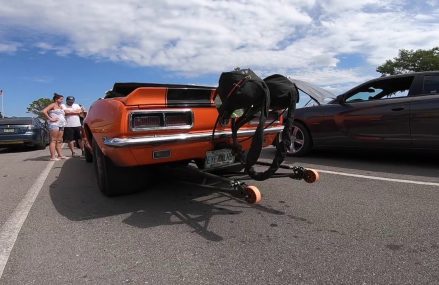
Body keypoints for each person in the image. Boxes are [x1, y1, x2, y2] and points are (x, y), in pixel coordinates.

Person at [42, 93, 68, 161]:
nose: (62, 100)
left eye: (62, 99)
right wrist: (50, 119)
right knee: (53, 140)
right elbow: (44, 111)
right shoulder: (53, 105)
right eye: (61, 99)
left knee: (59, 140)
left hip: (61, 124)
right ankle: (52, 157)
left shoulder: (61, 106)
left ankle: (60, 155)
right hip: (54, 124)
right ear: (56, 99)